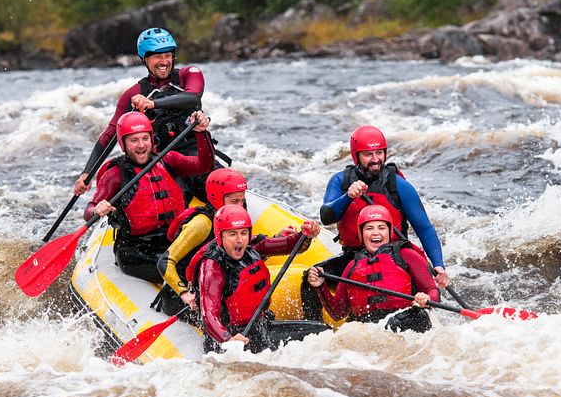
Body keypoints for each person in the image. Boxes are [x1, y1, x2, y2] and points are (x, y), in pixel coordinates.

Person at [302, 125, 449, 320]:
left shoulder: (399, 185)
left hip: (396, 256)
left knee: (418, 294)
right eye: (368, 154)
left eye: (379, 153)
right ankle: (317, 327)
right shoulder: (341, 181)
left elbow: (424, 228)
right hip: (354, 257)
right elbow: (327, 216)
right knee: (309, 278)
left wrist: (438, 264)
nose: (375, 159)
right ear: (356, 156)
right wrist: (348, 196)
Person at [74, 27, 205, 198]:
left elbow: (193, 97)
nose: (164, 61)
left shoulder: (189, 75)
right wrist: (87, 172)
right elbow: (110, 133)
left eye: (168, 56)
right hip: (164, 162)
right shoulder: (134, 93)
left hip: (199, 155)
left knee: (226, 183)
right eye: (157, 56)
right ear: (144, 59)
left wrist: (152, 103)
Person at [84, 110, 213, 282]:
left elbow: (204, 166)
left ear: (151, 139)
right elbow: (89, 210)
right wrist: (96, 210)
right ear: (123, 143)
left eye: (145, 138)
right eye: (134, 140)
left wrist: (201, 133)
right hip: (136, 249)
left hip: (172, 237)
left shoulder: (168, 160)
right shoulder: (115, 174)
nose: (141, 145)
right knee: (181, 268)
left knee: (212, 258)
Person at [187, 204, 321, 353]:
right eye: (232, 234)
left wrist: (306, 236)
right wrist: (228, 339)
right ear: (220, 236)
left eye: (244, 233)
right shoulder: (212, 267)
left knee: (321, 333)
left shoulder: (251, 247)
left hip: (260, 326)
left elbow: (288, 245)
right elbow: (209, 314)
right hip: (231, 339)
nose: (239, 240)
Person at [307, 205, 439, 333]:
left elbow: (433, 291)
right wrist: (321, 286)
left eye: (381, 228)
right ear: (361, 233)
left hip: (407, 321)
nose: (376, 232)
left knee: (392, 325)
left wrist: (426, 298)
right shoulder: (352, 266)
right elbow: (338, 313)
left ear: (389, 231)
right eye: (369, 228)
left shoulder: (407, 255)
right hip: (369, 328)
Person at [153, 168, 248, 316]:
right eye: (235, 201)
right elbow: (164, 262)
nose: (240, 206)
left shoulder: (234, 218)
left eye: (242, 200)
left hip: (210, 287)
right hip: (180, 296)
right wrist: (184, 293)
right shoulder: (202, 224)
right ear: (217, 198)